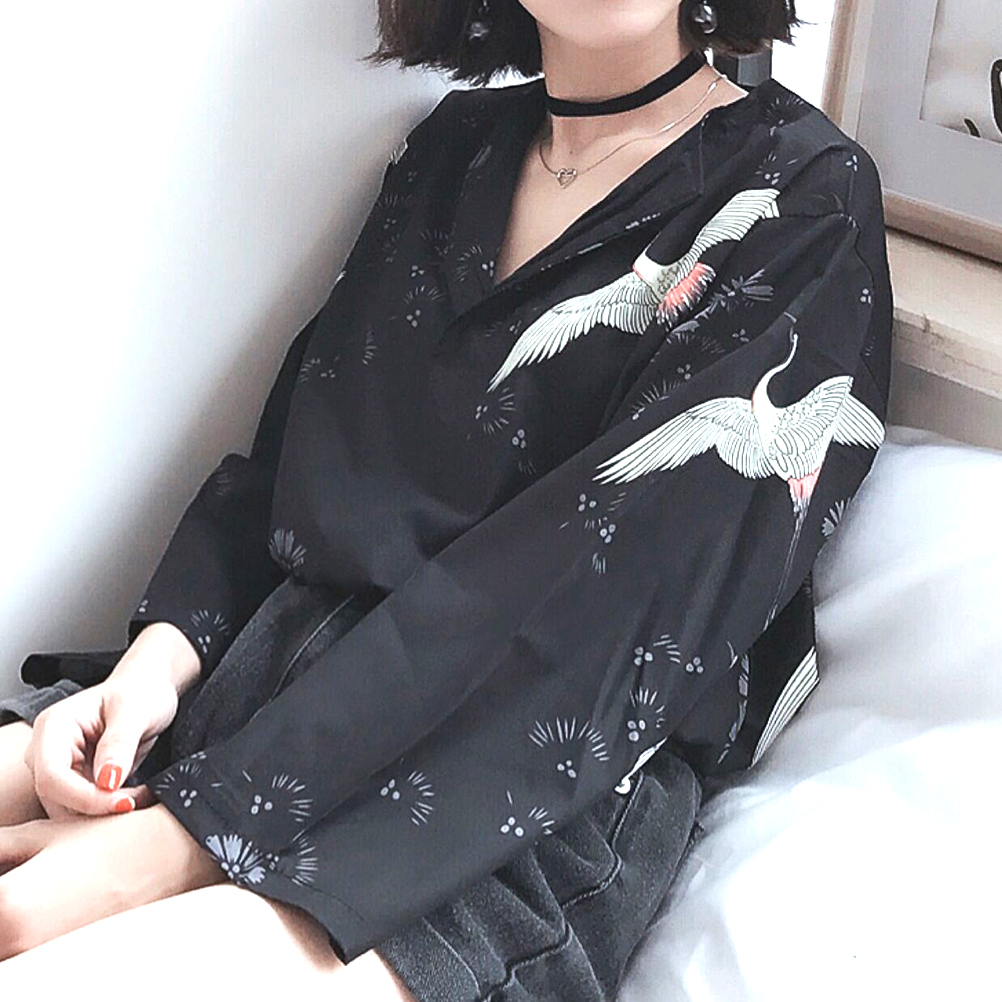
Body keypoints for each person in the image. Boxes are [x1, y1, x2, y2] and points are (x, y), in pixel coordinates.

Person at [0, 0, 893, 998]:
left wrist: (178, 844)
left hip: (510, 798)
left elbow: (608, 617)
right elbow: (293, 458)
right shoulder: (454, 150)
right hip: (265, 687)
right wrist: (155, 665)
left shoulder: (804, 199)